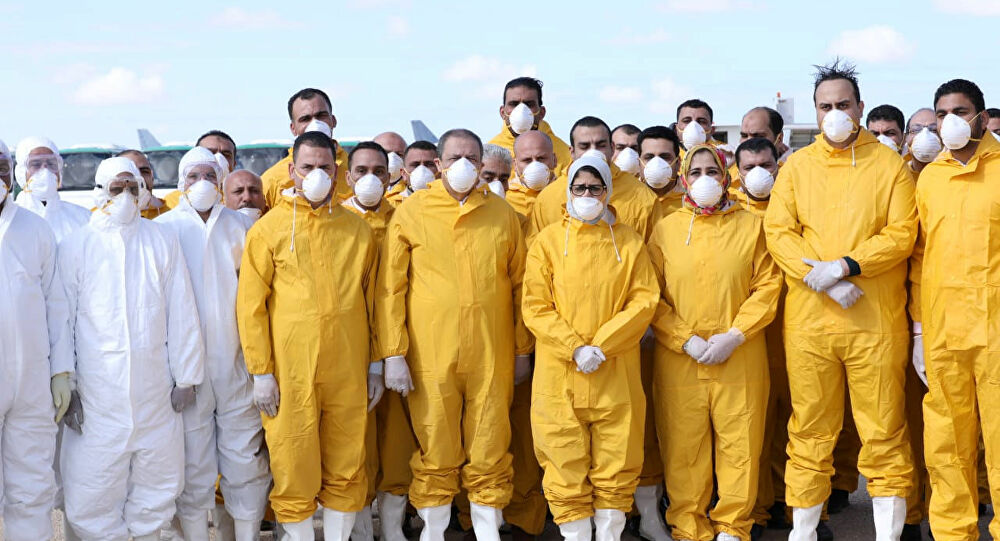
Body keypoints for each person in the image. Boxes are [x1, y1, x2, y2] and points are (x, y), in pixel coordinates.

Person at [764, 60, 917, 541]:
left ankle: (888, 533)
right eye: (825, 106)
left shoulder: (888, 166)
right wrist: (826, 279)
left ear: (860, 107)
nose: (834, 114)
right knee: (809, 430)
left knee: (883, 430)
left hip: (874, 323)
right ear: (814, 111)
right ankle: (804, 531)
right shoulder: (797, 167)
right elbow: (778, 232)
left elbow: (901, 233)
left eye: (843, 104)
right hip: (810, 324)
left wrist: (848, 265)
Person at [377, 128, 533, 541]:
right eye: (454, 158)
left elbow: (521, 287)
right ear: (439, 164)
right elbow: (391, 287)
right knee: (436, 446)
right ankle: (434, 532)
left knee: (490, 444)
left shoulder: (501, 214)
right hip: (430, 354)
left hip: (492, 352)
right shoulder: (413, 212)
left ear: (482, 164)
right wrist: (393, 352)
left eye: (472, 158)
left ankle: (487, 532)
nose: (463, 165)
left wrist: (522, 350)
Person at [237, 132, 381, 541]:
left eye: (324, 167)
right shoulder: (268, 230)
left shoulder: (357, 230)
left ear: (338, 172)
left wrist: (376, 364)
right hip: (291, 372)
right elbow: (250, 307)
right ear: (291, 170)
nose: (317, 174)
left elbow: (373, 301)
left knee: (347, 463)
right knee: (292, 462)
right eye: (308, 167)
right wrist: (261, 372)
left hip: (348, 368)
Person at [59, 156, 204, 540]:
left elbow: (181, 309)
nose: (125, 195)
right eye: (116, 188)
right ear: (100, 191)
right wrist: (67, 385)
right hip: (96, 396)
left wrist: (187, 377)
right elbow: (63, 321)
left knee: (158, 483)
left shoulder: (161, 240)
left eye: (131, 187)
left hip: (155, 393)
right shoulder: (77, 245)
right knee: (91, 487)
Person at [522, 155, 659, 541]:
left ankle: (610, 535)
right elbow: (535, 306)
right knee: (562, 458)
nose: (586, 195)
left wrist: (602, 345)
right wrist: (575, 348)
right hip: (560, 374)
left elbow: (644, 300)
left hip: (615, 372)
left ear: (607, 191)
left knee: (618, 458)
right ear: (567, 191)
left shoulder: (629, 242)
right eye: (579, 188)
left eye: (594, 188)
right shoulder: (548, 242)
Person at [648, 144, 781, 541]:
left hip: (739, 357)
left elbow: (768, 286)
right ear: (683, 178)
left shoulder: (751, 226)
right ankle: (688, 528)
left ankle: (733, 527)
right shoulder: (666, 230)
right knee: (682, 448)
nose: (704, 179)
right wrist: (683, 339)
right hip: (680, 361)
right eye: (696, 172)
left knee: (740, 445)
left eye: (712, 171)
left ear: (726, 178)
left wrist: (736, 334)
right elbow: (649, 294)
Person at [155, 147, 270, 541]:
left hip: (238, 366)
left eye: (209, 176)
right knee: (192, 465)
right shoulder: (164, 229)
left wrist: (261, 368)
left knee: (245, 462)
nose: (201, 184)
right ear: (181, 181)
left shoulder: (243, 227)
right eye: (193, 176)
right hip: (185, 372)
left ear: (221, 181)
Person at [910, 78, 1000, 541]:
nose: (950, 121)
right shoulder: (930, 178)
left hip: (996, 329)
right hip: (944, 329)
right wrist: (918, 328)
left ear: (981, 118)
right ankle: (951, 532)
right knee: (946, 443)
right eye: (942, 112)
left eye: (960, 111)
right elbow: (920, 256)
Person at [0, 140, 72, 541]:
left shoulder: (35, 229)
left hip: (32, 382)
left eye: (1, 165)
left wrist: (61, 371)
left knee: (32, 489)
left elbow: (55, 304)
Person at [528, 116, 661, 242]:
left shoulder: (642, 196)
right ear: (572, 152)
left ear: (612, 148)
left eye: (600, 145)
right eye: (584, 146)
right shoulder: (548, 198)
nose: (593, 152)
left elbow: (654, 250)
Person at [260, 88, 351, 208]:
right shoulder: (272, 180)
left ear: (333, 121)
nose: (315, 124)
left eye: (321, 116)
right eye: (305, 119)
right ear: (293, 128)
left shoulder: (357, 170)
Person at [488, 77, 572, 175]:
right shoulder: (487, 155)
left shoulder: (566, 156)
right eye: (514, 104)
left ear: (541, 112)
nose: (521, 110)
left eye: (529, 104)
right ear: (502, 112)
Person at [13, 137, 90, 242]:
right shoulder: (9, 219)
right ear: (21, 172)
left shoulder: (83, 218)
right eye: (36, 164)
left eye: (51, 164)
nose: (45, 171)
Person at [506, 130, 559, 219]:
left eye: (541, 158)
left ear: (554, 160)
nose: (535, 165)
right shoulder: (506, 199)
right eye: (527, 160)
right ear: (515, 164)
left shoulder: (567, 193)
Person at [637, 126, 683, 215]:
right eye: (649, 157)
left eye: (665, 157)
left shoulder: (694, 199)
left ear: (678, 163)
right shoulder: (628, 197)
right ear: (639, 163)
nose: (657, 163)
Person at [117, 149, 168, 219]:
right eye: (130, 172)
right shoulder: (102, 219)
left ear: (152, 177)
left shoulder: (170, 217)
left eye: (144, 171)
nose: (139, 177)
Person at [391, 140, 438, 205]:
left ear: (440, 168)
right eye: (415, 165)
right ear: (403, 173)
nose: (422, 170)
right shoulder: (392, 206)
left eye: (429, 164)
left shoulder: (451, 203)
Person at [903, 108, 942, 175]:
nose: (925, 134)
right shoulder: (898, 172)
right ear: (906, 138)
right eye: (916, 130)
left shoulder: (955, 172)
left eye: (933, 130)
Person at [374, 132, 408, 203]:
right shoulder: (355, 190)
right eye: (385, 152)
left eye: (399, 154)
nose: (393, 158)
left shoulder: (413, 193)